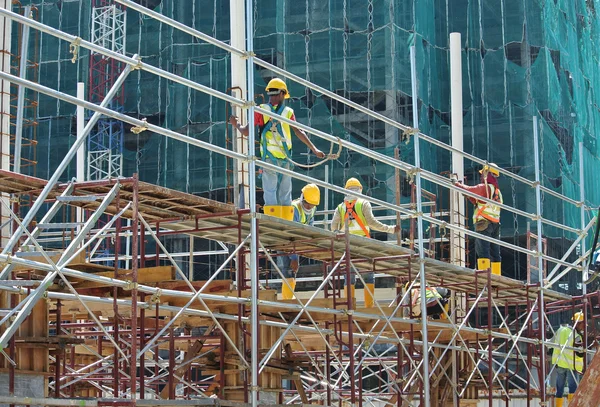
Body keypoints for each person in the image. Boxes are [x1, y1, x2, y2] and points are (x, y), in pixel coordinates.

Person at [229, 78, 324, 220]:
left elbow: (247, 131)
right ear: (283, 94)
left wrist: (236, 124)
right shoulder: (288, 112)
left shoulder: (261, 110)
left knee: (270, 191)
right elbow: (299, 132)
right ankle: (286, 220)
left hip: (270, 158)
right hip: (285, 159)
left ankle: (273, 219)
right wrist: (314, 149)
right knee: (285, 193)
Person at [330, 177, 399, 307]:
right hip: (364, 245)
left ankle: (349, 307)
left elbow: (333, 228)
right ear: (360, 189)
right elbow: (373, 223)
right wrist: (390, 229)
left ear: (346, 190)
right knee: (368, 276)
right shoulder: (364, 203)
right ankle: (369, 307)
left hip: (347, 245)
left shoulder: (340, 207)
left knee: (349, 277)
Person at [453, 163, 503, 275]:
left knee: (483, 250)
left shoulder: (485, 187)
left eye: (483, 173)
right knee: (495, 251)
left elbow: (471, 190)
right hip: (495, 224)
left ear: (488, 174)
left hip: (483, 223)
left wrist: (457, 184)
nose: (481, 176)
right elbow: (479, 202)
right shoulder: (497, 191)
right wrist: (469, 196)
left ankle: (484, 275)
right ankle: (496, 275)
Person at [278, 183, 320, 299]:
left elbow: (310, 228)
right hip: (285, 240)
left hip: (297, 242)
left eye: (311, 205)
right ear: (302, 198)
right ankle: (287, 299)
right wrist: (294, 258)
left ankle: (289, 297)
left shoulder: (312, 209)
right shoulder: (294, 208)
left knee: (293, 270)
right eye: (307, 205)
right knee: (288, 268)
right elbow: (291, 235)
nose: (309, 207)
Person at [550, 312, 585, 407]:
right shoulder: (576, 336)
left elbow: (550, 343)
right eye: (582, 324)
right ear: (577, 323)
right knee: (572, 389)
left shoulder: (560, 330)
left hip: (559, 364)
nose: (583, 327)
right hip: (571, 366)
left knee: (559, 389)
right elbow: (580, 353)